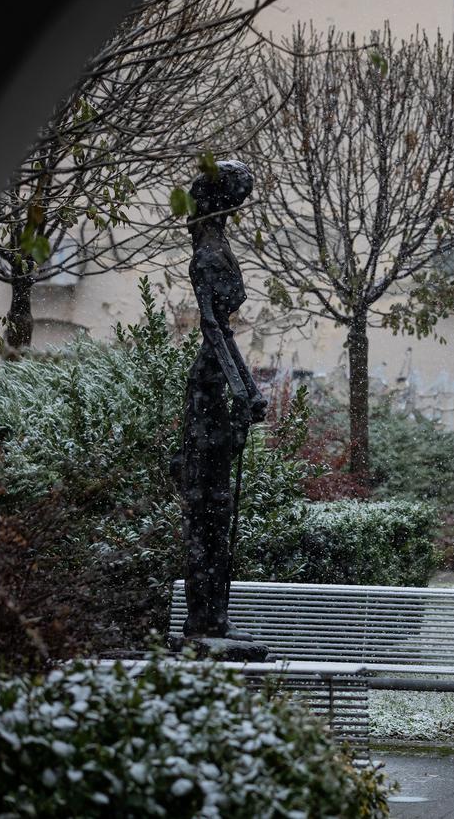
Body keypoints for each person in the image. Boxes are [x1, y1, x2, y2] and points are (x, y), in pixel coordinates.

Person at [174, 160, 268, 640]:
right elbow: (213, 329)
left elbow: (223, 333)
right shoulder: (209, 255)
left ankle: (216, 617)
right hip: (209, 386)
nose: (242, 203)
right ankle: (202, 620)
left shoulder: (217, 247)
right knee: (208, 506)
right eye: (239, 195)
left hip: (218, 380)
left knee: (217, 508)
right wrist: (241, 388)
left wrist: (246, 387)